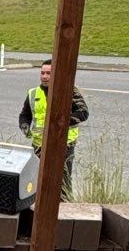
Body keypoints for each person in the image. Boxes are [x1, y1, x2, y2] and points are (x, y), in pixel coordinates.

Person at [19, 57, 89, 197]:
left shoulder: (69, 91)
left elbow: (83, 113)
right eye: (42, 73)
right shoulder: (33, 93)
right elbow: (25, 115)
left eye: (49, 73)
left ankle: (65, 206)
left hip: (63, 144)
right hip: (39, 145)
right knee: (37, 180)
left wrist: (60, 123)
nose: (44, 77)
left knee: (62, 182)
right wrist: (24, 125)